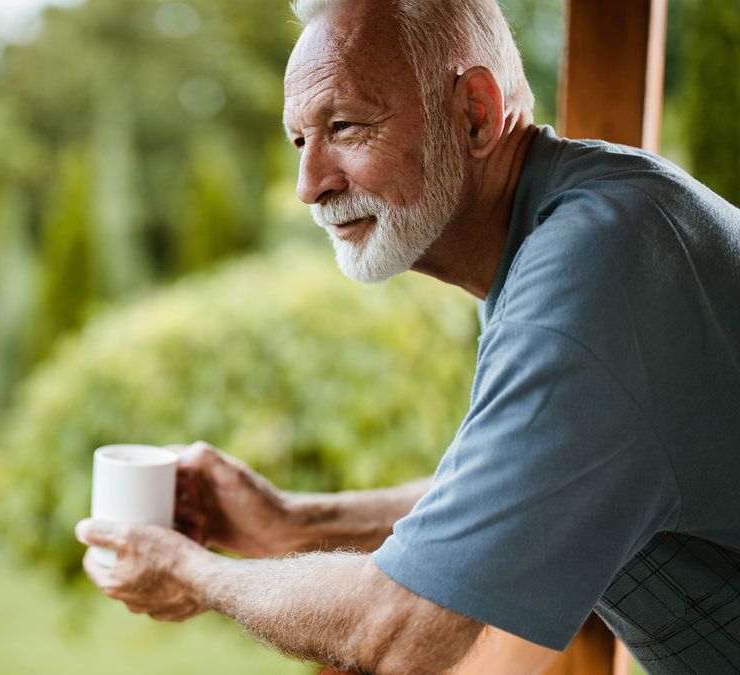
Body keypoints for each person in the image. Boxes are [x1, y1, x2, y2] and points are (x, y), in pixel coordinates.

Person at [73, 0, 740, 673]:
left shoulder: (597, 271)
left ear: (475, 112)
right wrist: (291, 522)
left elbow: (404, 626)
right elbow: (507, 498)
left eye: (344, 125)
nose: (309, 185)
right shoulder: (581, 227)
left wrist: (193, 576)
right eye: (301, 139)